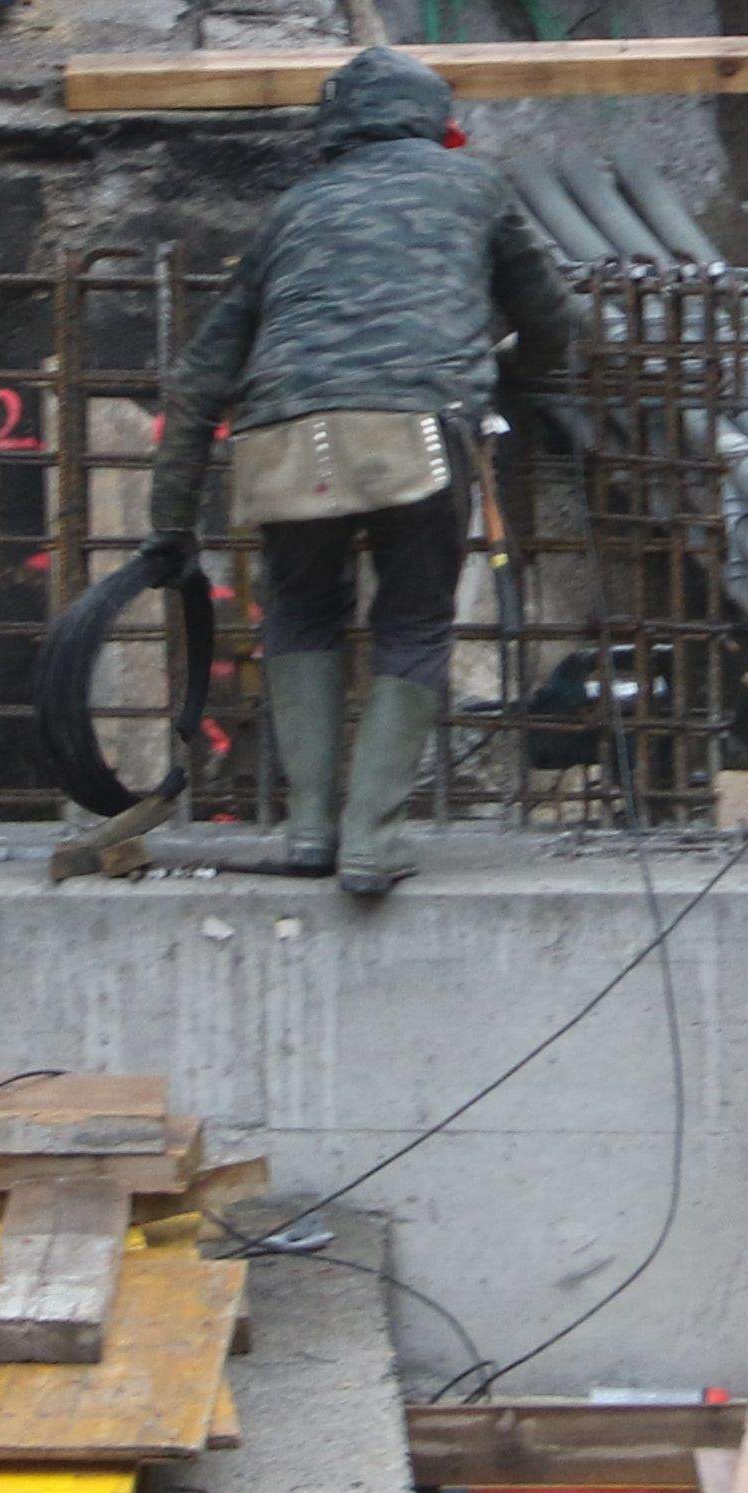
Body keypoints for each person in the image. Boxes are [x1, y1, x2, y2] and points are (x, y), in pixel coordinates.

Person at [142, 47, 574, 893]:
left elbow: (201, 374)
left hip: (282, 434)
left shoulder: (294, 210)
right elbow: (551, 317)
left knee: (302, 613)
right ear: (436, 122)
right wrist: (519, 379)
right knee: (412, 623)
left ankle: (310, 830)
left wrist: (169, 521)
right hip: (414, 429)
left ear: (334, 131)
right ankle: (370, 841)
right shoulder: (475, 187)